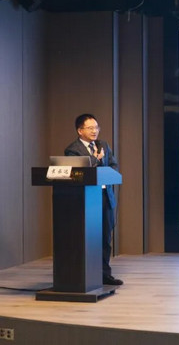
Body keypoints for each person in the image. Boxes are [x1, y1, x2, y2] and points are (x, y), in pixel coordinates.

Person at [64, 113, 123, 286]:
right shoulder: (72, 150)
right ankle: (86, 274)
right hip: (85, 199)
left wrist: (106, 169)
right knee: (86, 237)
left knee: (105, 238)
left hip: (104, 197)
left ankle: (105, 274)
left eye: (96, 127)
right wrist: (95, 159)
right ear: (80, 130)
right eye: (90, 128)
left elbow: (113, 165)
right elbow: (77, 172)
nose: (94, 131)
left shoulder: (103, 145)